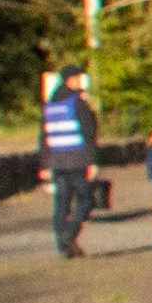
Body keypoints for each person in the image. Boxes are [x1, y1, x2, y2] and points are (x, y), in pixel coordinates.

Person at [39, 62, 100, 260]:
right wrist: (92, 161)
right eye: (77, 78)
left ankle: (64, 246)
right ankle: (70, 235)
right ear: (70, 80)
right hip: (77, 159)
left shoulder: (50, 104)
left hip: (57, 161)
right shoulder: (77, 103)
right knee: (86, 199)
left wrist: (44, 164)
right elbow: (89, 132)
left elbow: (44, 136)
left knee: (62, 204)